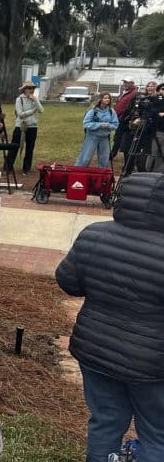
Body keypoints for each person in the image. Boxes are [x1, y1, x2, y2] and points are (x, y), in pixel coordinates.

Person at [56, 172, 164, 462]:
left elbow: (69, 282)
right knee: (157, 433)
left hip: (96, 351)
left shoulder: (94, 234)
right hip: (152, 364)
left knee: (105, 422)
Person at [5, 81, 44, 175]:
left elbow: (41, 110)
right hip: (20, 126)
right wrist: (33, 110)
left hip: (33, 126)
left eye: (33, 88)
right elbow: (20, 114)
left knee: (30, 148)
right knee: (14, 146)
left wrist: (35, 100)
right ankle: (7, 167)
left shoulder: (35, 99)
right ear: (25, 89)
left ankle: (26, 168)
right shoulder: (19, 99)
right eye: (30, 88)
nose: (32, 90)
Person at [76, 92, 119, 168]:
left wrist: (109, 126)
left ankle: (102, 176)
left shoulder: (111, 111)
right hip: (92, 137)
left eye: (108, 98)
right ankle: (78, 172)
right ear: (100, 99)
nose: (107, 99)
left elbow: (115, 124)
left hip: (104, 137)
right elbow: (86, 123)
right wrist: (100, 125)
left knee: (104, 159)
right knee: (85, 158)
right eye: (105, 98)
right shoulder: (93, 110)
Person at [110, 76, 139, 163]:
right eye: (124, 82)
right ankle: (112, 153)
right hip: (119, 117)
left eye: (127, 82)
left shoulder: (134, 93)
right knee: (117, 137)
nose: (125, 84)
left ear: (132, 84)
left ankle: (126, 161)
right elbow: (119, 103)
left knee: (124, 140)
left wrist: (123, 116)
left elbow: (128, 107)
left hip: (125, 119)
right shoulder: (124, 92)